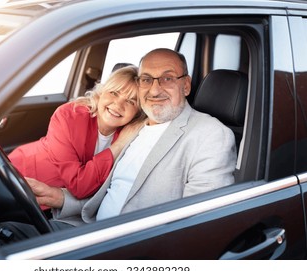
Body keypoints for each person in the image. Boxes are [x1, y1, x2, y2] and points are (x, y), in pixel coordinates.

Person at [27, 48, 237, 227]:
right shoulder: (133, 127)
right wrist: (61, 198)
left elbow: (198, 224)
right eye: (146, 79)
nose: (155, 90)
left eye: (167, 78)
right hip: (85, 227)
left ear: (186, 85)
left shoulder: (211, 135)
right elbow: (114, 193)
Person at [8, 65, 145, 201]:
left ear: (138, 112)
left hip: (59, 203)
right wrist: (118, 145)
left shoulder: (135, 133)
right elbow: (80, 186)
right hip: (20, 180)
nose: (118, 105)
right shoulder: (69, 116)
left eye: (130, 101)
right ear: (102, 92)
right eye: (114, 93)